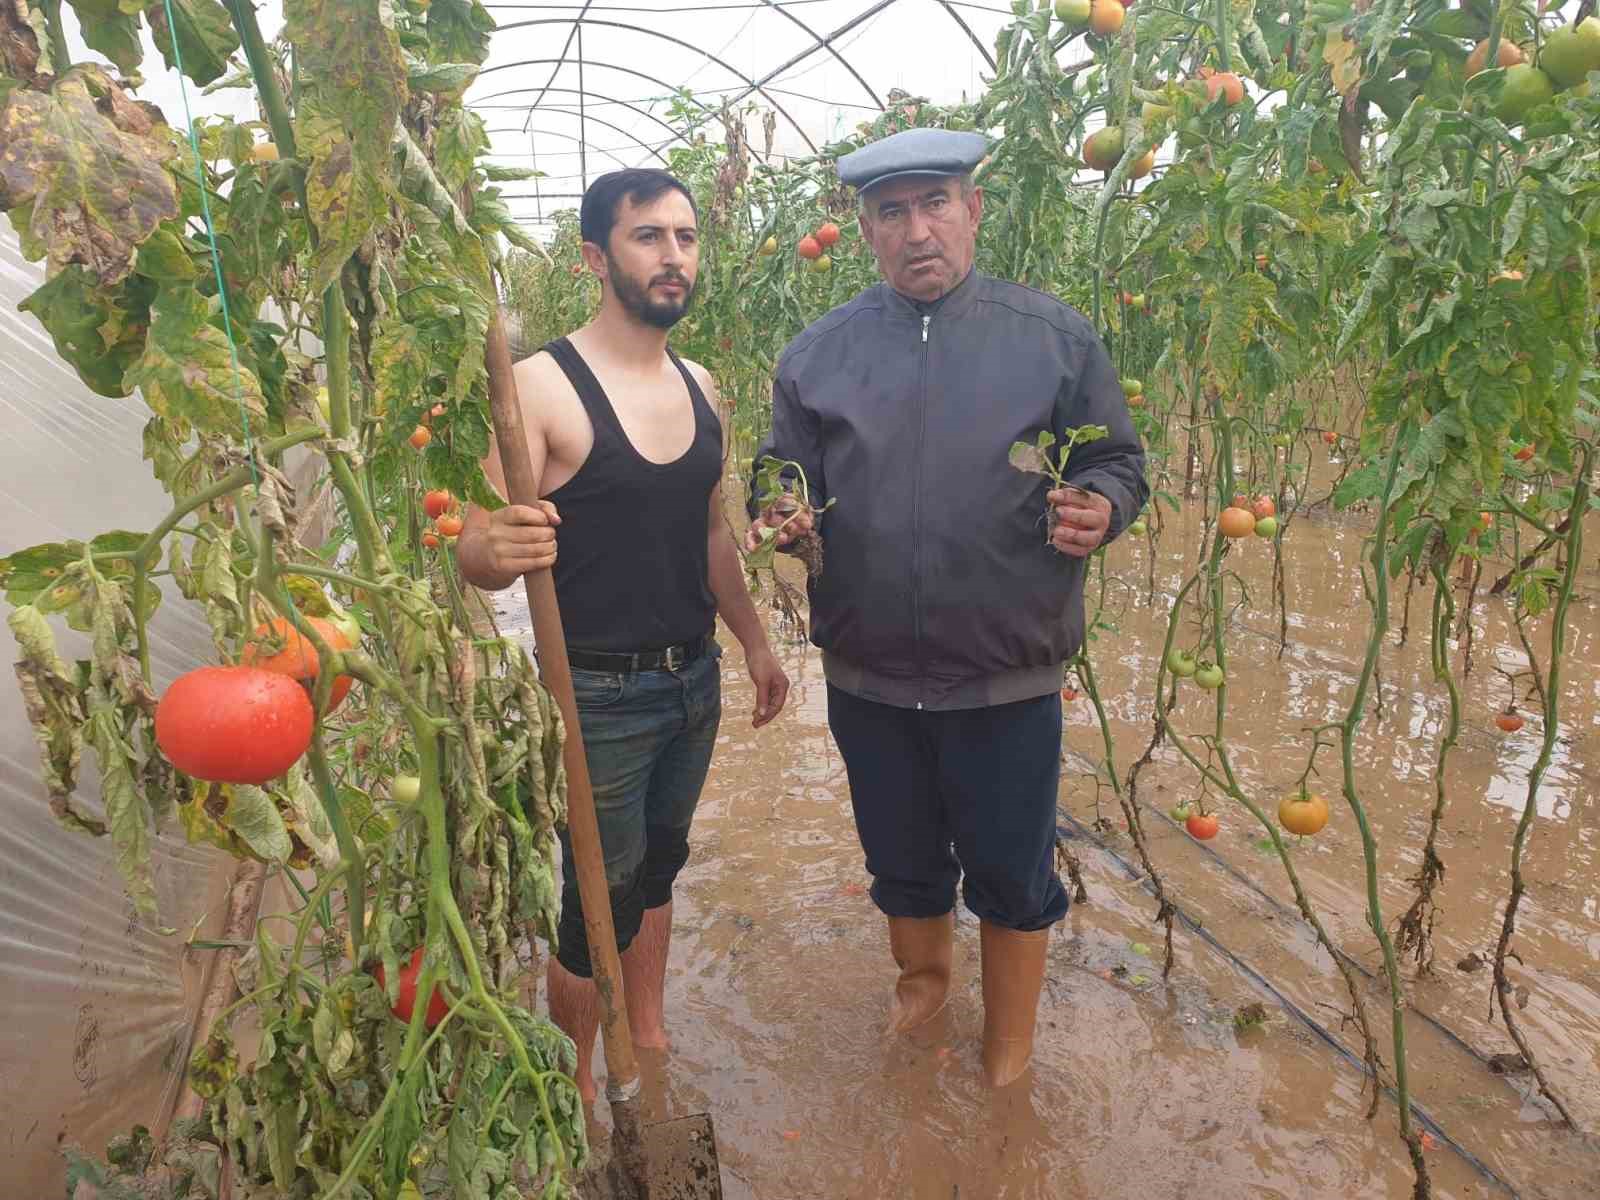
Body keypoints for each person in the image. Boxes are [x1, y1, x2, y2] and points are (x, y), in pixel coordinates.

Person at [746, 128, 1148, 1088]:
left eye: (936, 203)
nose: (917, 229)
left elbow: (1115, 460)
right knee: (903, 865)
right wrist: (782, 509)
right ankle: (921, 1006)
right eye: (893, 212)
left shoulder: (1053, 339)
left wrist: (1105, 507)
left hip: (1005, 674)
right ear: (866, 228)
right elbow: (779, 468)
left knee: (1014, 877)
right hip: (870, 674)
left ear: (973, 209)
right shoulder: (819, 355)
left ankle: (1007, 1060)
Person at [458, 168, 791, 1105]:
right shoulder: (538, 390)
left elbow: (713, 531)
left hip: (694, 681)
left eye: (686, 237)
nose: (674, 256)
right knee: (590, 906)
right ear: (597, 258)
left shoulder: (704, 384)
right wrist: (489, 543)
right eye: (649, 237)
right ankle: (578, 1090)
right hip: (593, 692)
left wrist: (756, 644)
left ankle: (646, 1041)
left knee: (658, 871)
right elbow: (476, 551)